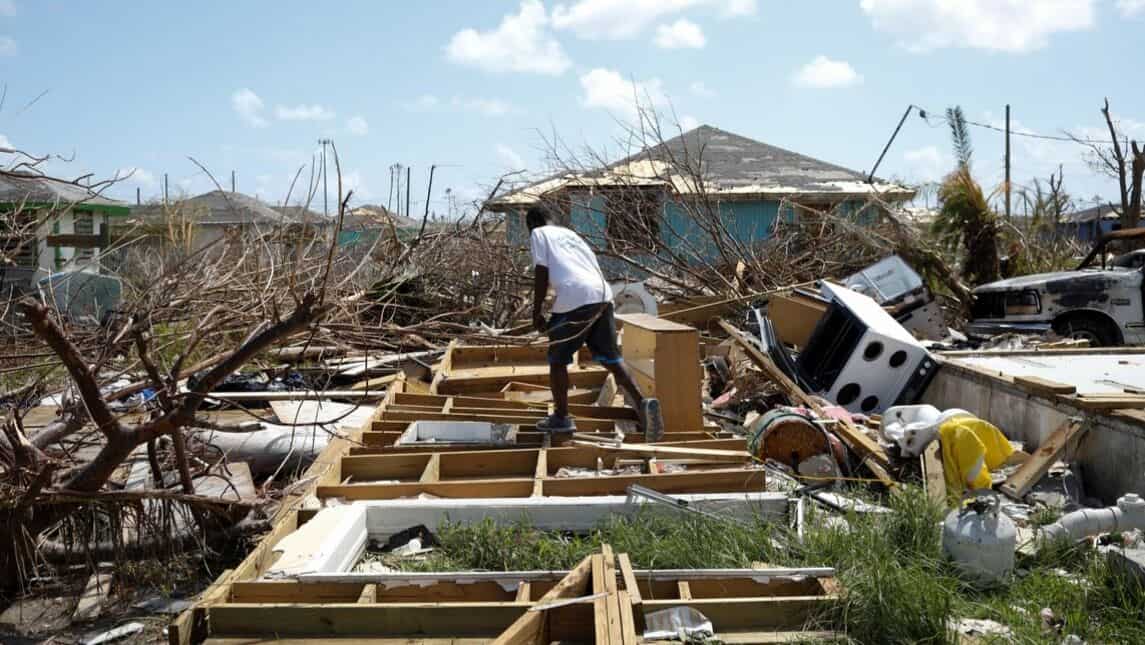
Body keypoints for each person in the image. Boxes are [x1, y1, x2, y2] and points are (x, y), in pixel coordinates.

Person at [526, 205, 663, 437]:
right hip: (602, 295)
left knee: (558, 360)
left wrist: (537, 311)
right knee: (612, 359)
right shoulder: (573, 237)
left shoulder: (539, 234)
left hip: (576, 297)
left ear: (532, 224)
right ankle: (643, 404)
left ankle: (561, 418)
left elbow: (542, 271)